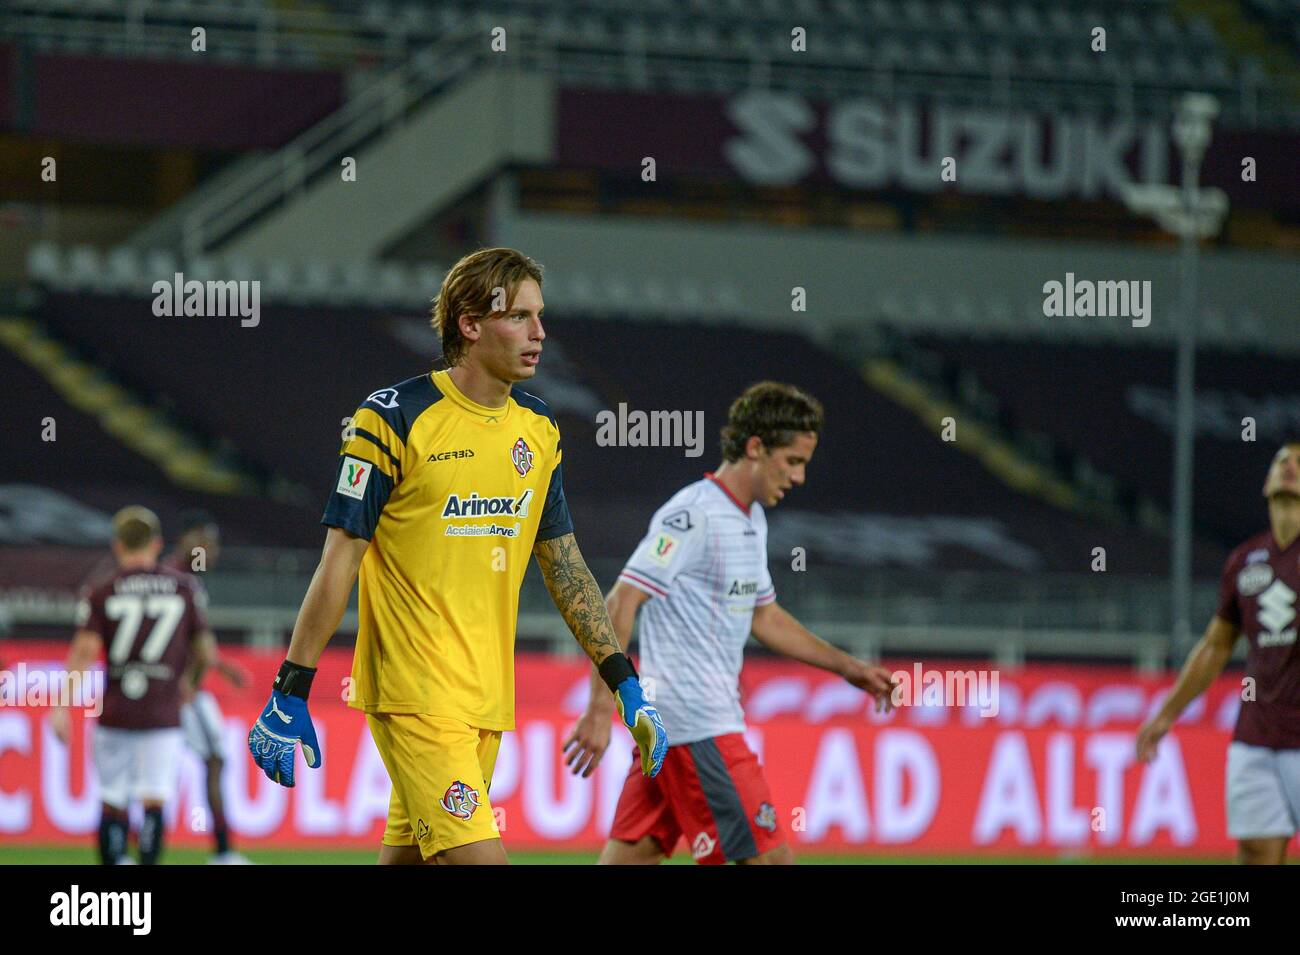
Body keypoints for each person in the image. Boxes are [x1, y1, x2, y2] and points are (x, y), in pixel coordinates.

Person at [247, 247, 666, 865]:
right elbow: (340, 559)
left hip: (487, 697)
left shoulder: (539, 429)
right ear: (470, 324)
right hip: (414, 692)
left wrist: (622, 679)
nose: (539, 332)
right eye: (520, 316)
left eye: (539, 315)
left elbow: (564, 563)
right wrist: (292, 685)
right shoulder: (391, 418)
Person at [564, 381, 898, 864]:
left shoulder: (750, 519)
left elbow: (763, 615)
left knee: (630, 859)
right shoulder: (693, 515)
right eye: (793, 461)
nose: (800, 477)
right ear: (756, 447)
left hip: (674, 729)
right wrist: (601, 707)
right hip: (699, 725)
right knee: (768, 860)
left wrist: (849, 668)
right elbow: (620, 599)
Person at [1138, 440, 1300, 864]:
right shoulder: (1244, 561)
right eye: (1282, 460)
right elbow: (1216, 646)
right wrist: (1166, 713)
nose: (1290, 467)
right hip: (1256, 738)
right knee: (1256, 856)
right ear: (1265, 484)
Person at [53, 506, 216, 865]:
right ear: (157, 544)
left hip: (116, 711)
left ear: (117, 545)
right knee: (155, 799)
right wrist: (187, 684)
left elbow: (84, 651)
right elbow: (205, 651)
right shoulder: (185, 588)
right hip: (163, 713)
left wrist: (61, 706)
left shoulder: (101, 590)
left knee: (112, 799)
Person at [166, 510, 252, 865]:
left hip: (186, 690)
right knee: (211, 760)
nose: (210, 550)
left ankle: (222, 850)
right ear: (187, 539)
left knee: (211, 761)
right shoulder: (176, 579)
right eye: (205, 541)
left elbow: (196, 639)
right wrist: (185, 679)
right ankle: (222, 851)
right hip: (178, 693)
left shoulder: (186, 579)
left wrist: (220, 666)